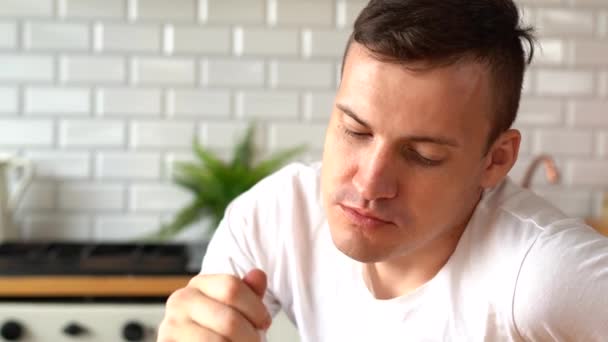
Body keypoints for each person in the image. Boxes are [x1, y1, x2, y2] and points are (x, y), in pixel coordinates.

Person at [157, 0, 608, 341]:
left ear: (495, 161)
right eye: (356, 131)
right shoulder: (275, 219)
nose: (369, 183)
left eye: (423, 155)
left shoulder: (543, 274)